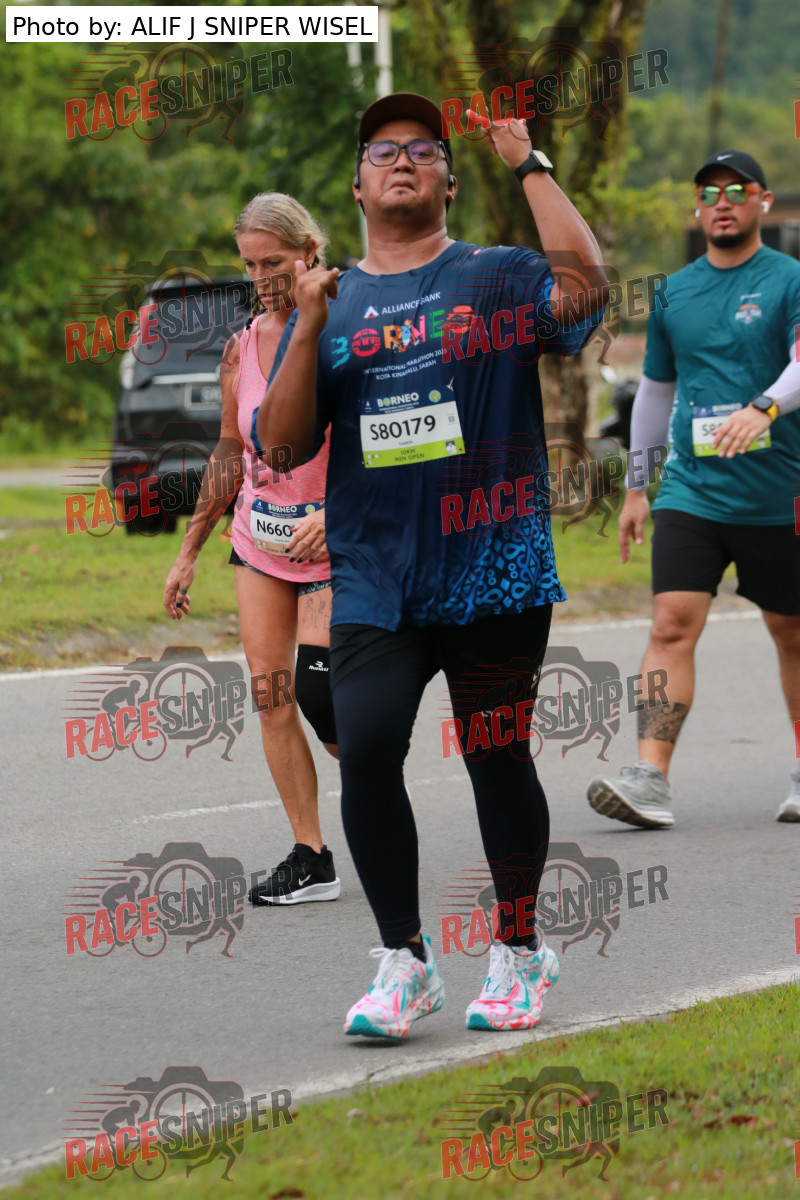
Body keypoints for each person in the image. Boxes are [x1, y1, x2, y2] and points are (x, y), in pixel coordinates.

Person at [254, 93, 608, 1037]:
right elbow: (280, 447)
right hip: (377, 575)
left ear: (449, 181)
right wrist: (305, 325)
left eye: (422, 149)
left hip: (494, 563)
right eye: (382, 151)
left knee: (496, 755)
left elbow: (584, 293)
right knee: (367, 747)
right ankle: (404, 962)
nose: (403, 160)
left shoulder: (495, 274)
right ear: (357, 187)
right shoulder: (332, 301)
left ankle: (520, 950)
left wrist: (528, 163)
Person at [587, 150, 800, 829]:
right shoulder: (674, 292)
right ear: (696, 209)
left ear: (763, 201)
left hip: (780, 490)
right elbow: (656, 393)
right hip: (692, 490)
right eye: (710, 193)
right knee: (670, 623)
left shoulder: (790, 279)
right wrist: (637, 488)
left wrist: (764, 407)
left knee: (792, 633)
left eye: (737, 190)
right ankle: (649, 777)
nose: (723, 203)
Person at [162, 193, 341, 903]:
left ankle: (378, 795)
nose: (262, 277)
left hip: (332, 545)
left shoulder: (342, 328)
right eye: (250, 265)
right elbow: (229, 452)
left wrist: (338, 511)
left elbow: (378, 440)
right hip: (261, 540)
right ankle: (311, 854)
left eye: (274, 262)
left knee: (325, 701)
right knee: (272, 697)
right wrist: (188, 551)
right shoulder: (240, 348)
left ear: (308, 253)